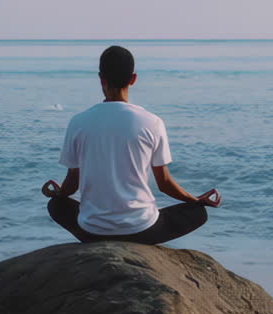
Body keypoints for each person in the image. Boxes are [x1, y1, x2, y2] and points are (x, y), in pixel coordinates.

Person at [41, 45, 220, 245]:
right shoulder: (152, 122)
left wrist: (57, 193)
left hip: (92, 230)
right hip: (142, 231)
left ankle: (98, 234)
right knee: (198, 213)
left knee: (56, 206)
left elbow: (72, 184)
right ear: (133, 79)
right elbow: (164, 184)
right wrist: (195, 200)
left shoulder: (78, 122)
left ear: (101, 78)